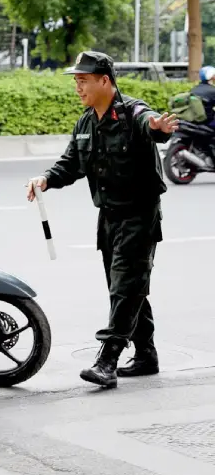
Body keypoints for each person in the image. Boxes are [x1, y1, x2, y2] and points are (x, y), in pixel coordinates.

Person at [26, 51, 179, 388]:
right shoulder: (85, 123)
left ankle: (108, 359)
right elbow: (71, 164)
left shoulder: (132, 112)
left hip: (139, 214)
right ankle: (146, 355)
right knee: (125, 287)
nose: (78, 87)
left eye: (84, 80)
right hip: (108, 217)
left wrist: (158, 128)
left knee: (127, 285)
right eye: (76, 81)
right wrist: (46, 179)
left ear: (104, 80)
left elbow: (149, 122)